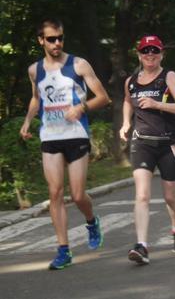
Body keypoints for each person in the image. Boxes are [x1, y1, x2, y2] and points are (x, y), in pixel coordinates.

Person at [19, 18, 110, 270]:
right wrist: (28, 121)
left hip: (76, 134)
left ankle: (91, 221)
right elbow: (36, 99)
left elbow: (103, 97)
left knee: (77, 195)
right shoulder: (34, 70)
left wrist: (81, 107)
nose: (57, 42)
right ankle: (64, 250)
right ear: (41, 41)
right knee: (55, 193)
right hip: (50, 136)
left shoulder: (79, 65)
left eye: (60, 37)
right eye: (51, 39)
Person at [119, 35, 175, 265]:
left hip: (170, 143)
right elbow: (127, 101)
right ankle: (142, 246)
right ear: (139, 55)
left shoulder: (168, 77)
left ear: (162, 54)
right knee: (142, 194)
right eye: (145, 51)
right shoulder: (131, 80)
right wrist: (125, 123)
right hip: (142, 143)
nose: (150, 55)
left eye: (155, 51)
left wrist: (157, 104)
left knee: (170, 195)